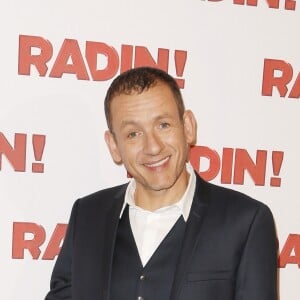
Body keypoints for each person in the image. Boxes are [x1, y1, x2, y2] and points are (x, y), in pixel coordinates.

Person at [45, 67, 278, 300]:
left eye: (163, 125)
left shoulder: (246, 221)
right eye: (133, 134)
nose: (153, 147)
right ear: (114, 146)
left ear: (187, 127)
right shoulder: (87, 215)